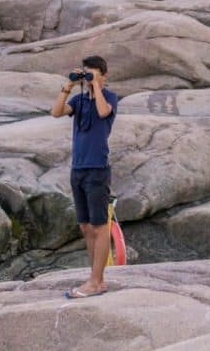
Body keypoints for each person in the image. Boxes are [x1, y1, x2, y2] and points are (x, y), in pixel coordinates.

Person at [52, 55, 118, 298]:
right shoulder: (79, 101)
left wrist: (97, 86)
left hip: (97, 169)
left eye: (93, 73)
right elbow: (56, 112)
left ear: (104, 75)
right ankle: (95, 278)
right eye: (86, 73)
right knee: (85, 226)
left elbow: (103, 112)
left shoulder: (109, 97)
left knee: (100, 226)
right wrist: (68, 86)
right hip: (77, 169)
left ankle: (96, 281)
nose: (88, 77)